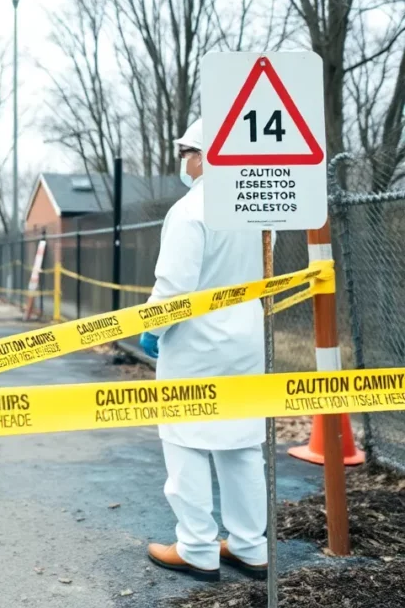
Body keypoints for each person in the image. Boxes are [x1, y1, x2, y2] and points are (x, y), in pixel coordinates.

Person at [140, 119, 269, 583]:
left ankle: (196, 548)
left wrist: (153, 328)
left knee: (185, 439)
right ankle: (251, 546)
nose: (184, 162)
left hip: (195, 343)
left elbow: (174, 287)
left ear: (206, 155)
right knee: (242, 443)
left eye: (187, 152)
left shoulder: (190, 210)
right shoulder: (254, 207)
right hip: (247, 338)